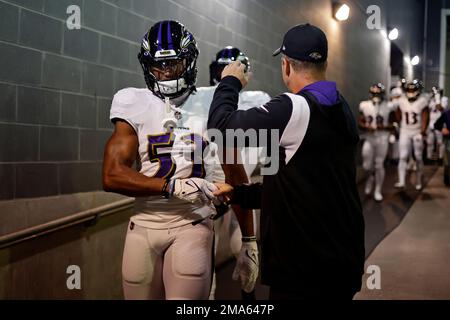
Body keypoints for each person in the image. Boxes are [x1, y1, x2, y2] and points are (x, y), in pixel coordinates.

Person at [208, 23, 365, 299]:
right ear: (325, 62)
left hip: (304, 269)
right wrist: (241, 194)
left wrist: (229, 81)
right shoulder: (342, 106)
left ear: (286, 66)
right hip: (342, 260)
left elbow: (220, 128)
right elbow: (302, 184)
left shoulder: (294, 108)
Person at [102, 20, 256, 300]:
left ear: (190, 61)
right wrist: (171, 187)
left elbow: (235, 174)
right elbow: (111, 174)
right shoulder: (131, 101)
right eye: (158, 66)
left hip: (192, 223)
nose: (165, 72)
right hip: (143, 223)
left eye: (174, 64)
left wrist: (248, 239)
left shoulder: (212, 101)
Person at [181, 46, 268, 299]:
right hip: (209, 189)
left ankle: (248, 298)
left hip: (242, 184)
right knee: (203, 258)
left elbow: (265, 149)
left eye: (230, 70)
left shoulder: (257, 100)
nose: (224, 75)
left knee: (245, 249)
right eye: (221, 70)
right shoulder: (199, 97)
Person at [358, 83, 396, 201]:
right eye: (374, 93)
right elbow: (360, 121)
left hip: (382, 138)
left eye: (378, 93)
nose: (376, 95)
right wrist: (366, 126)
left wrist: (383, 127)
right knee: (366, 165)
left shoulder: (389, 106)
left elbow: (394, 124)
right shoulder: (364, 105)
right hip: (369, 137)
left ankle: (378, 190)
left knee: (379, 164)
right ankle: (370, 179)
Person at [394, 80, 430, 190]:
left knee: (418, 157)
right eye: (409, 89)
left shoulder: (423, 101)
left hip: (417, 131)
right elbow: (398, 114)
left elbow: (425, 117)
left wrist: (422, 132)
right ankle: (401, 181)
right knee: (403, 156)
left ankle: (418, 180)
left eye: (413, 90)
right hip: (405, 130)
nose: (411, 92)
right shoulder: (401, 100)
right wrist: (397, 124)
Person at [427, 86, 448, 163]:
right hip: (431, 124)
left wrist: (437, 99)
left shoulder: (444, 99)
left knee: (440, 142)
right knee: (430, 142)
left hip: (439, 124)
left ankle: (440, 158)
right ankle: (429, 158)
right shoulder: (431, 100)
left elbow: (441, 108)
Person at [434, 108, 450, 186]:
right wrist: (442, 128)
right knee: (448, 163)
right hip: (449, 141)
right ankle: (447, 179)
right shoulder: (447, 113)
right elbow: (436, 124)